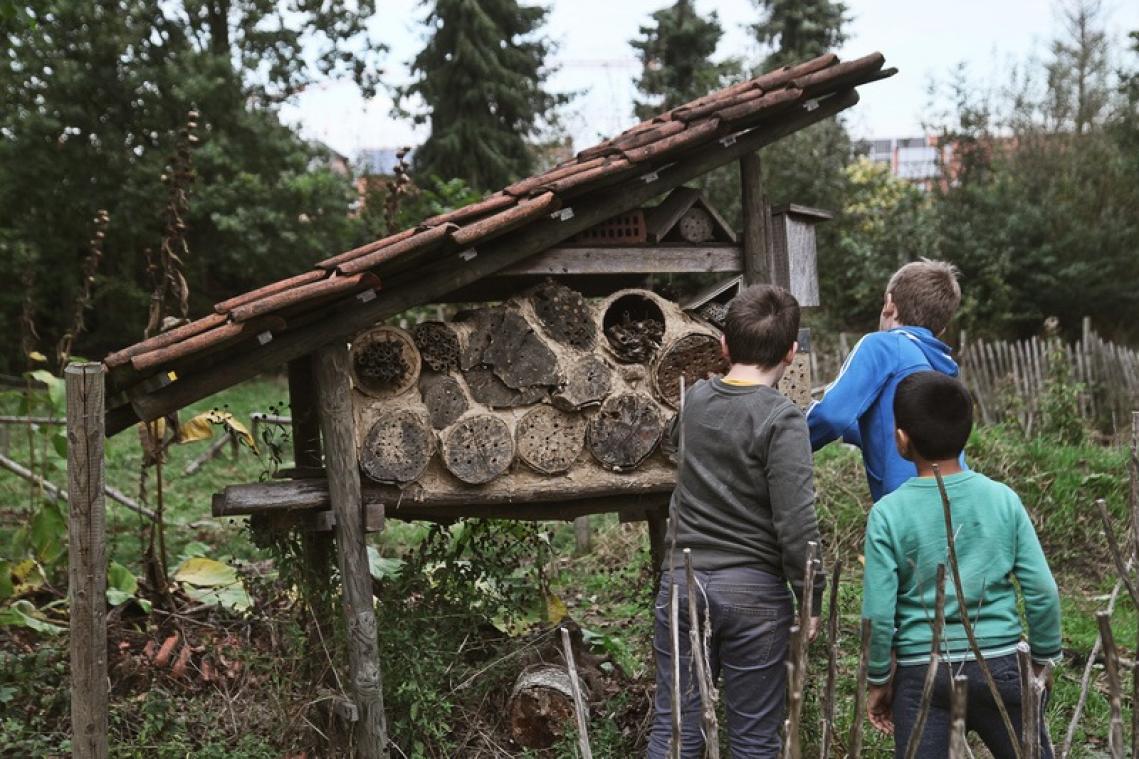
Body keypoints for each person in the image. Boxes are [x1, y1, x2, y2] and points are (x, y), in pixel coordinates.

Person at [647, 284, 825, 758]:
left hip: (684, 584)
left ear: (723, 345)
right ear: (791, 353)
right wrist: (811, 598)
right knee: (753, 740)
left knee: (675, 730)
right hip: (754, 596)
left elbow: (671, 447)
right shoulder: (782, 419)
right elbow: (796, 522)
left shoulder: (695, 402)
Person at [861, 371, 1061, 758]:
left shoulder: (887, 514)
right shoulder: (1003, 499)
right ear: (968, 432)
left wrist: (879, 679)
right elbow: (1042, 589)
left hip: (923, 674)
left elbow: (879, 614)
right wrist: (1042, 659)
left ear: (902, 439)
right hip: (1001, 665)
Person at [807, 259, 962, 501]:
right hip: (952, 500)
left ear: (890, 304)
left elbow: (830, 416)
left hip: (906, 508)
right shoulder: (941, 367)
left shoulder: (883, 345)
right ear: (941, 328)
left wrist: (784, 441)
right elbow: (896, 434)